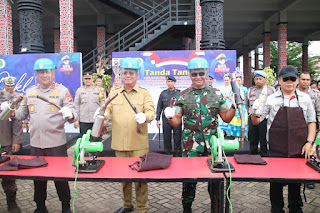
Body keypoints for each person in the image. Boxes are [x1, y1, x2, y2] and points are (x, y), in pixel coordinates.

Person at [164, 57, 236, 213]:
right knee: (189, 180)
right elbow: (176, 122)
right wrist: (170, 116)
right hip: (190, 146)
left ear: (207, 73)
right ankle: (187, 208)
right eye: (194, 74)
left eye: (201, 73)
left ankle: (215, 208)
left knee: (216, 179)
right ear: (189, 74)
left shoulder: (217, 94)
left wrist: (235, 106)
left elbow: (226, 117)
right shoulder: (182, 96)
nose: (198, 77)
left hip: (213, 145)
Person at [10, 58, 77, 213]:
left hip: (56, 144)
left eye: (47, 72)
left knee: (60, 177)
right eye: (40, 72)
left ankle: (65, 206)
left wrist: (70, 114)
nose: (44, 75)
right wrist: (10, 110)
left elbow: (72, 112)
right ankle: (40, 206)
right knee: (38, 177)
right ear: (37, 74)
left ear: (53, 73)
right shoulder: (30, 92)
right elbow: (21, 114)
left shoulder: (62, 91)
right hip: (36, 144)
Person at [252, 65, 316, 213]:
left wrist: (309, 143)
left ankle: (295, 207)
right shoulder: (270, 99)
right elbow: (257, 121)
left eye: (292, 79)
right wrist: (255, 112)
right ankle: (276, 208)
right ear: (279, 80)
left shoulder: (305, 99)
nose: (289, 82)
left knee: (296, 184)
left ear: (297, 81)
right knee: (276, 183)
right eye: (285, 79)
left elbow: (311, 121)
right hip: (276, 149)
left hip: (298, 149)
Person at [104, 57, 155, 213]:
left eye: (131, 73)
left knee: (140, 179)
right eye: (125, 72)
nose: (128, 76)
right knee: (124, 177)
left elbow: (151, 112)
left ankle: (141, 208)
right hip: (120, 142)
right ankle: (127, 205)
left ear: (137, 75)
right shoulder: (114, 92)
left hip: (138, 143)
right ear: (121, 74)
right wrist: (102, 116)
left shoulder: (144, 93)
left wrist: (145, 117)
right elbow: (107, 110)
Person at [0, 88, 23, 213]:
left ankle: (11, 203)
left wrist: (17, 140)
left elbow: (16, 120)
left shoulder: (7, 96)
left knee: (8, 176)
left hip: (5, 143)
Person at [297, 71, 320, 190]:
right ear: (299, 80)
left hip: (311, 126)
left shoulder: (316, 94)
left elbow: (318, 112)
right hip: (298, 128)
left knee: (311, 153)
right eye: (303, 79)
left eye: (308, 80)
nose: (305, 82)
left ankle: (309, 179)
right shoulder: (294, 93)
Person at [245, 70, 274, 157]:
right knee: (252, 138)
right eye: (256, 79)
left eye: (260, 79)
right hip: (253, 117)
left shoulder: (270, 90)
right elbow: (247, 104)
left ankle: (264, 155)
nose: (258, 81)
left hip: (264, 118)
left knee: (264, 138)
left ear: (264, 79)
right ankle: (252, 155)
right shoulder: (250, 91)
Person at [156, 75, 182, 156]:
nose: (170, 83)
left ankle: (178, 155)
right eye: (168, 81)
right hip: (166, 120)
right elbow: (159, 106)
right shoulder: (163, 94)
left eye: (171, 81)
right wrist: (157, 119)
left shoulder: (179, 93)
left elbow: (182, 106)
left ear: (174, 82)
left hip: (176, 119)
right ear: (166, 82)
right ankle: (167, 154)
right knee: (167, 138)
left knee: (177, 138)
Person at [74, 72, 105, 138]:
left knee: (95, 139)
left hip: (96, 120)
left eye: (89, 78)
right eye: (86, 79)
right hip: (83, 120)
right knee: (84, 139)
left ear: (92, 79)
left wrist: (103, 119)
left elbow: (103, 105)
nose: (87, 80)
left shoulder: (98, 90)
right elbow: (76, 105)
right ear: (83, 79)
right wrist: (76, 120)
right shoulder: (79, 91)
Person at [227, 74, 248, 140]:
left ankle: (242, 137)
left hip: (243, 108)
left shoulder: (244, 89)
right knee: (235, 122)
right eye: (237, 80)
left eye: (239, 80)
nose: (238, 82)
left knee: (242, 122)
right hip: (236, 108)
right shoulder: (233, 88)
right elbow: (230, 96)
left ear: (242, 81)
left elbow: (246, 98)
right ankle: (236, 137)